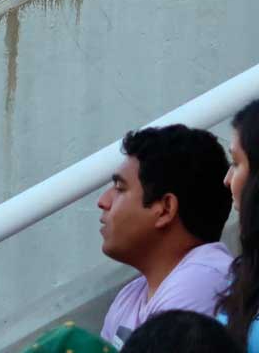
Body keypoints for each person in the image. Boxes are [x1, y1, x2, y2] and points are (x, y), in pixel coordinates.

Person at [97, 125, 234, 347]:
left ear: (165, 208)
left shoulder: (202, 280)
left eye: (120, 188)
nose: (103, 201)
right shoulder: (131, 296)